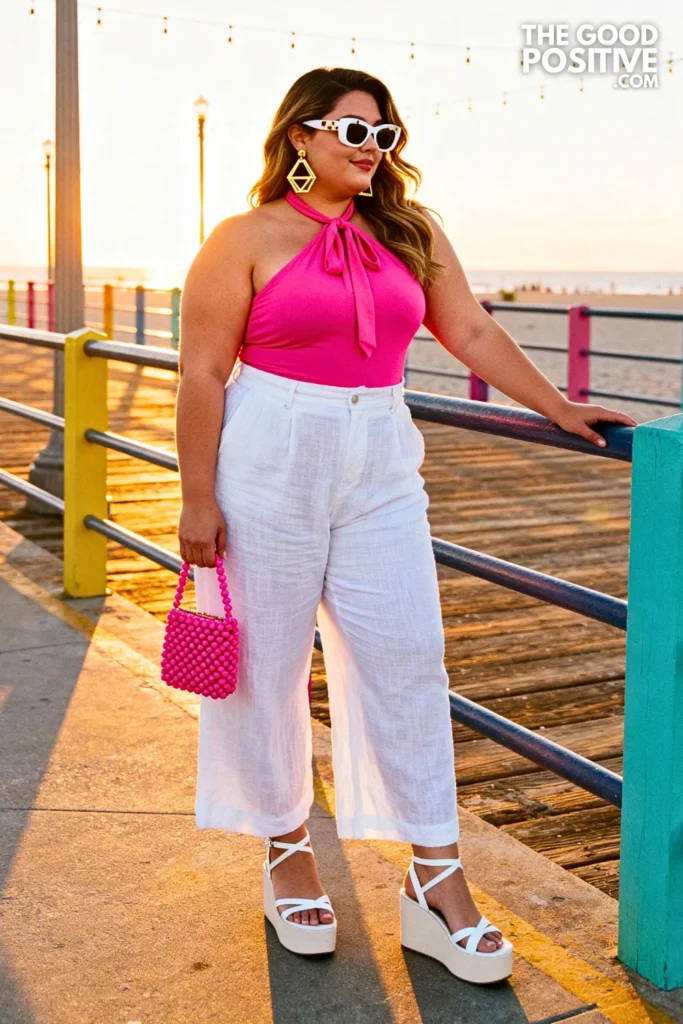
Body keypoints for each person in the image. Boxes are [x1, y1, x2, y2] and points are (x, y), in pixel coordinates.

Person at [175, 66, 636, 981]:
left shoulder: (410, 231)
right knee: (266, 665)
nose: (371, 148)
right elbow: (202, 373)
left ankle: (434, 878)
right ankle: (286, 850)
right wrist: (196, 497)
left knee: (409, 658)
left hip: (380, 457)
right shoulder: (242, 237)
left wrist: (557, 406)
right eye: (353, 131)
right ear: (300, 135)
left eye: (383, 135)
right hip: (267, 456)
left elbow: (471, 332)